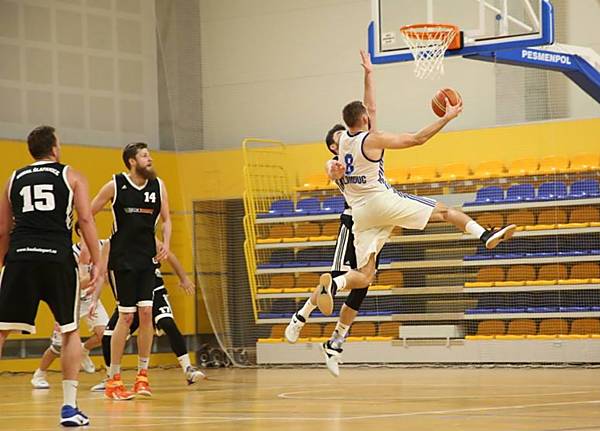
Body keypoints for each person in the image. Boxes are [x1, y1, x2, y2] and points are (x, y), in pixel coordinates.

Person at [315, 92, 516, 375]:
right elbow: (416, 138)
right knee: (445, 212)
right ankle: (484, 235)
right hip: (382, 203)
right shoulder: (371, 139)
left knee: (365, 277)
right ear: (365, 118)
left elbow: (366, 112)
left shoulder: (344, 145)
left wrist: (368, 74)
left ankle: (334, 294)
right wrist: (447, 117)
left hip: (362, 216)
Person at [284, 51, 380, 378]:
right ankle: (300, 317)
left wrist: (369, 74)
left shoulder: (366, 146)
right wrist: (334, 169)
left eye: (343, 137)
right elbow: (331, 170)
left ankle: (336, 342)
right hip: (352, 224)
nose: (342, 142)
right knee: (336, 280)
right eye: (336, 142)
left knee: (363, 285)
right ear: (332, 148)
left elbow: (369, 111)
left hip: (374, 223)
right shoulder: (337, 161)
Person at [0, 125, 101, 426]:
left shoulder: (12, 179)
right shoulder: (71, 175)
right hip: (57, 258)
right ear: (54, 148)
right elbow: (85, 219)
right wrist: (97, 261)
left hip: (20, 258)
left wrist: (3, 264)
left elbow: (3, 229)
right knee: (70, 330)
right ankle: (69, 408)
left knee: (1, 330)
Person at [91, 142, 171, 400]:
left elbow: (167, 219)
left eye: (150, 155)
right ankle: (113, 378)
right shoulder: (115, 185)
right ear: (132, 161)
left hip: (146, 258)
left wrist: (166, 244)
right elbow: (88, 213)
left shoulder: (158, 186)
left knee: (146, 314)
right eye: (144, 156)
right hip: (122, 259)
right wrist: (93, 248)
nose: (150, 159)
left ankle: (142, 377)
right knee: (126, 317)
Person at [96, 239, 205, 390]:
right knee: (107, 337)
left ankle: (188, 368)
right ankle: (111, 377)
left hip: (154, 290)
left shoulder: (147, 237)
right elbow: (103, 275)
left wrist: (184, 278)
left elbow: (168, 254)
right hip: (130, 297)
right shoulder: (112, 244)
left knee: (167, 322)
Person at [31, 223, 110, 390]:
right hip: (72, 300)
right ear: (80, 232)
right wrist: (94, 275)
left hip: (91, 300)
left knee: (106, 335)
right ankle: (39, 374)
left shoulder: (103, 246)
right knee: (58, 347)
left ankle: (90, 356)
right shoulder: (71, 252)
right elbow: (77, 283)